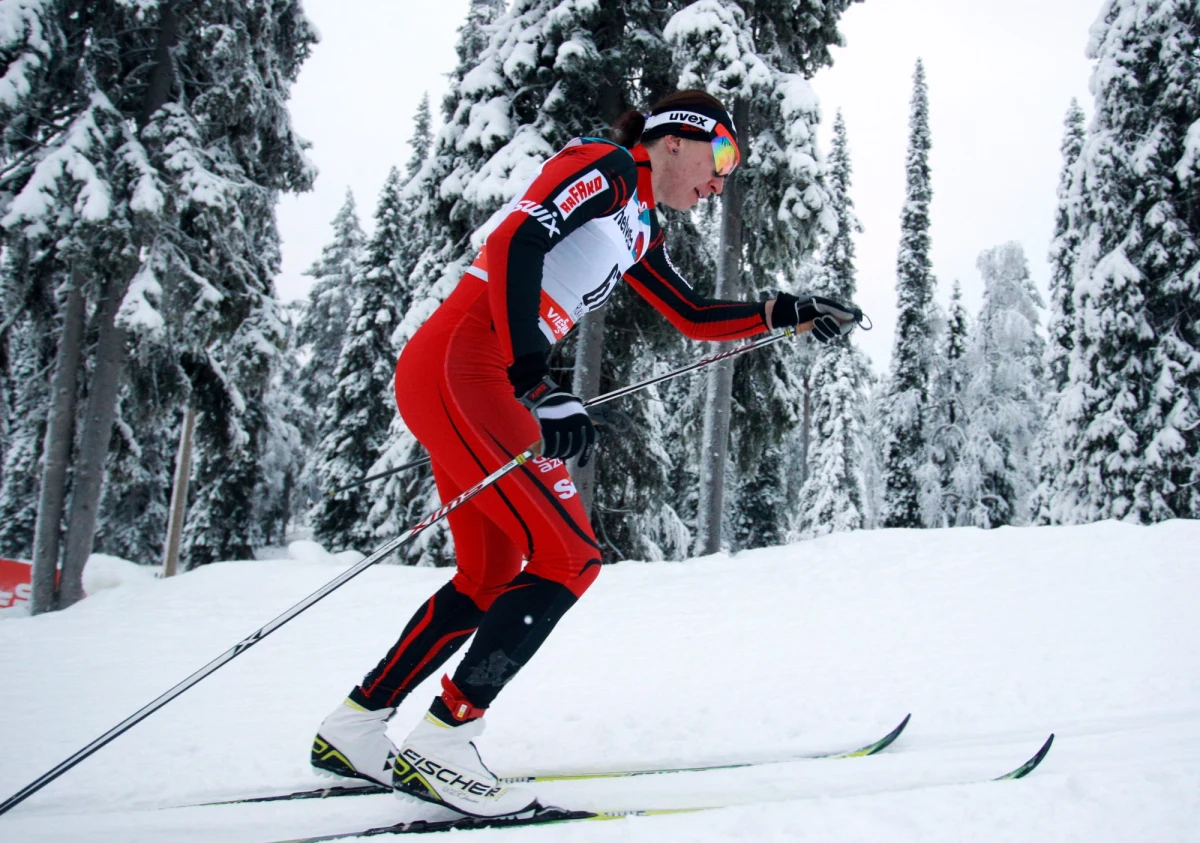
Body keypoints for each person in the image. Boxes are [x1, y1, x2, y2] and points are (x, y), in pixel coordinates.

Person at [310, 90, 859, 819]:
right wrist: (534, 380)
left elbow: (692, 314)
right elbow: (516, 242)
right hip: (470, 359)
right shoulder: (603, 167)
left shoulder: (638, 226)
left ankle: (354, 726)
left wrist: (782, 312)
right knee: (570, 557)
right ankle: (446, 736)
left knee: (490, 572)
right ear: (674, 140)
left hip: (462, 367)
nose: (721, 178)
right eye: (720, 155)